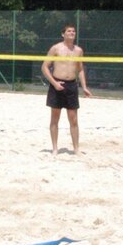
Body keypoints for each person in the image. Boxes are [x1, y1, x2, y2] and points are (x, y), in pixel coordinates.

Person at [41, 23, 92, 155]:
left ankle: (76, 149)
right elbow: (44, 67)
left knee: (74, 119)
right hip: (57, 85)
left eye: (73, 31)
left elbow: (80, 69)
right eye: (69, 31)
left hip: (71, 85)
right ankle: (55, 148)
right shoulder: (56, 48)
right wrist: (54, 83)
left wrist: (84, 87)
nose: (72, 33)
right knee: (55, 118)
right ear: (63, 34)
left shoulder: (78, 51)